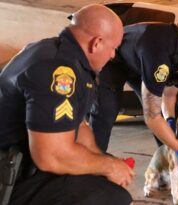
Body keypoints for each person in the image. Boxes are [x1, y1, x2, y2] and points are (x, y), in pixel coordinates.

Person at [0, 4, 135, 205]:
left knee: (101, 182)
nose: (114, 55)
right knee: (112, 198)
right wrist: (108, 167)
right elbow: (52, 155)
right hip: (7, 175)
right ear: (96, 43)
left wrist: (105, 161)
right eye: (113, 48)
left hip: (18, 162)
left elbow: (78, 126)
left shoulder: (60, 54)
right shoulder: (59, 69)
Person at [89, 22, 178, 175]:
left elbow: (169, 93)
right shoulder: (160, 57)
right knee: (107, 109)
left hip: (140, 62)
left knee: (164, 119)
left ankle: (171, 162)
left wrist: (170, 119)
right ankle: (92, 168)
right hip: (116, 60)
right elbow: (151, 117)